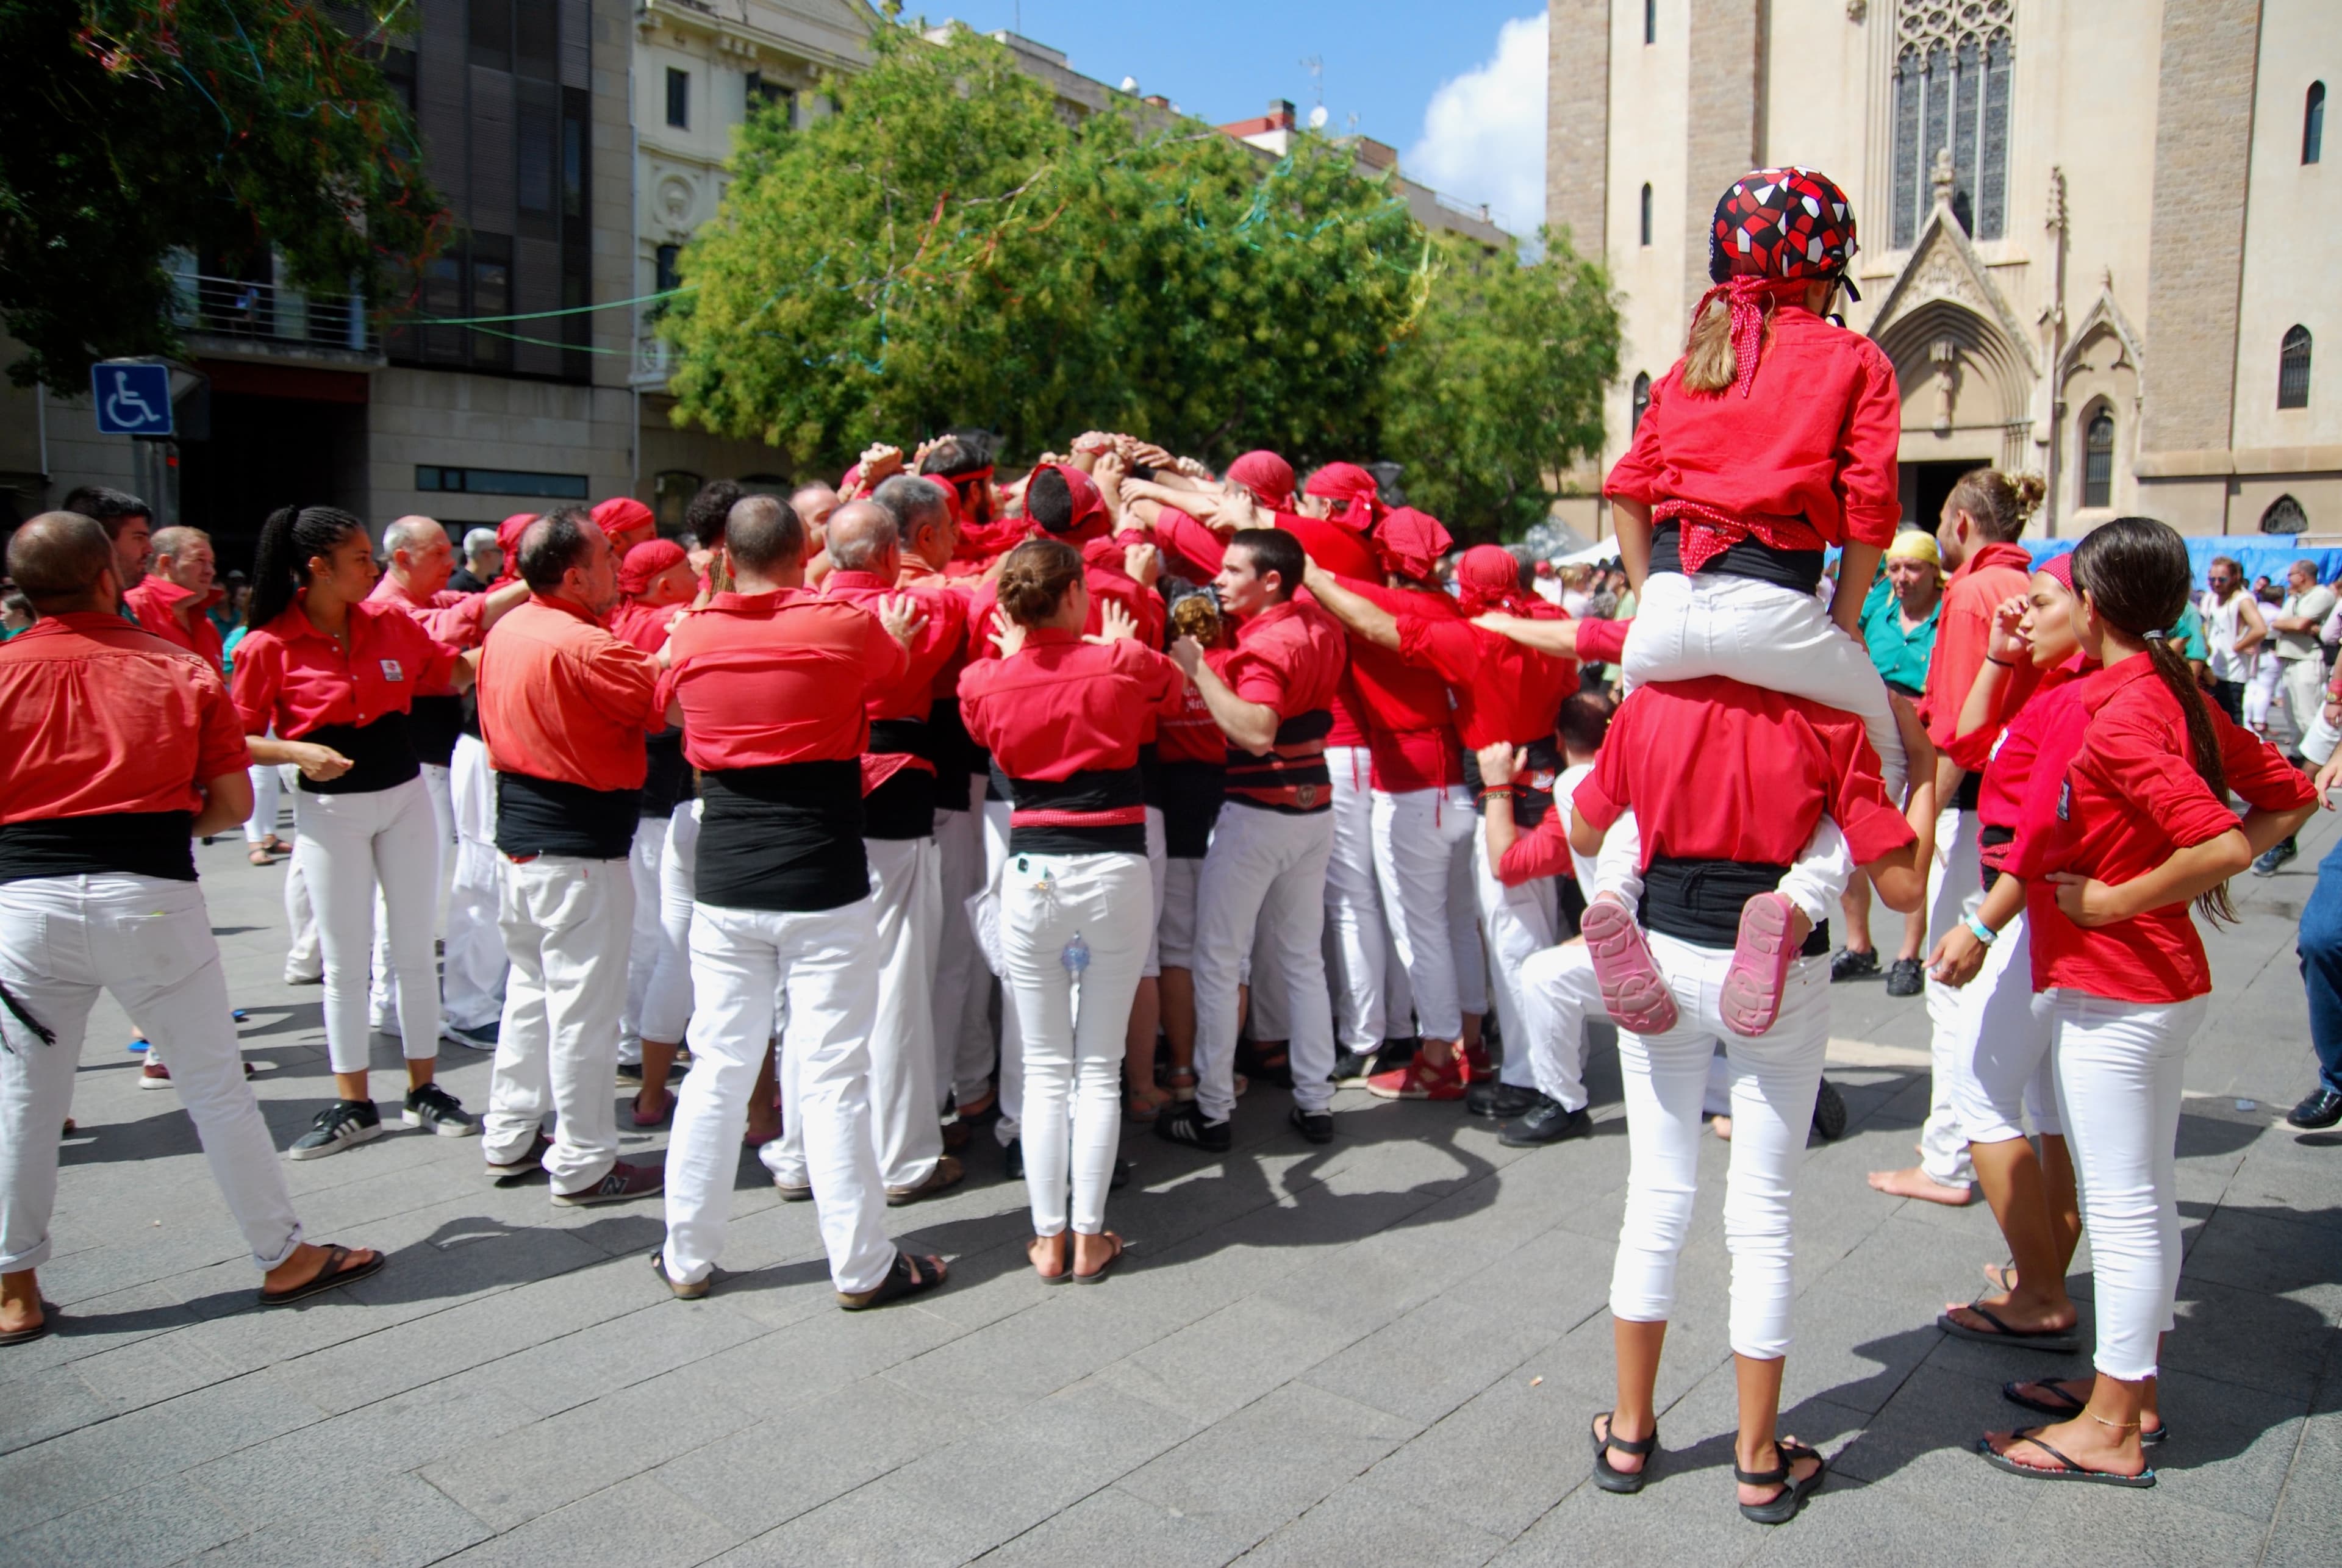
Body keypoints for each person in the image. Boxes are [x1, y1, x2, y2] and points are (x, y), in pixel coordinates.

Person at [1976, 517, 2313, 1487]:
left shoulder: (2124, 710)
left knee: (2125, 1208)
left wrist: (2117, 896)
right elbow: (2289, 795)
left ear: (2093, 602)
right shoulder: (2172, 687)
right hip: (2151, 985)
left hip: (2119, 982)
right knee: (2144, 1199)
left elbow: (2220, 841)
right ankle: (2127, 1394)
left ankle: (2114, 1422)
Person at [0, 512, 384, 1342]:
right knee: (214, 1086)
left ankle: (15, 1286)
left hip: (25, 898)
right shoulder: (174, 667)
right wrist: (159, 832)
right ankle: (283, 1253)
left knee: (26, 1095)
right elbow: (236, 805)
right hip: (149, 887)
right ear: (109, 577)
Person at [1570, 668, 1928, 1525]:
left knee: (1654, 1195)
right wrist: (1915, 762)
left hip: (1662, 941)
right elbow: (1904, 886)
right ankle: (1760, 1459)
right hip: (1772, 967)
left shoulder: (1654, 699)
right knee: (1762, 1211)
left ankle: (1628, 1434)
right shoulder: (1832, 708)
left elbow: (1588, 820)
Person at [1589, 166, 1907, 1045]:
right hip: (1775, 600)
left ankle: (1614, 893)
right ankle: (1802, 902)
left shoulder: (1694, 356)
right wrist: (1840, 625)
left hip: (1669, 605)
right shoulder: (1854, 358)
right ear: (1821, 270)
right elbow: (1872, 509)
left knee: (1633, 764)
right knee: (1885, 753)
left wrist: (1652, 595)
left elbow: (1626, 488)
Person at [653, 495, 949, 1309]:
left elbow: (661, 704)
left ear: (727, 555)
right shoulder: (838, 625)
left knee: (717, 1066)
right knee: (831, 1073)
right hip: (822, 873)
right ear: (803, 550)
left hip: (727, 878)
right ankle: (859, 1266)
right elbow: (895, 677)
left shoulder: (693, 630)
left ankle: (686, 1254)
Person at [962, 538, 1185, 1280]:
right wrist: (1115, 644)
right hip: (1115, 864)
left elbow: (985, 722)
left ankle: (1047, 1235)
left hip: (1034, 869)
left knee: (1047, 1062)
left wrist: (1009, 657)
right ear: (1072, 595)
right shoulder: (1122, 663)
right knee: (1098, 1063)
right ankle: (1089, 1235)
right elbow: (1169, 690)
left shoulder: (985, 680)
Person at [231, 505, 479, 1155]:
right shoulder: (266, 645)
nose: (374, 569)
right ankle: (353, 1102)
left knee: (413, 948)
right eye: (363, 558)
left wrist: (525, 631)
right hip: (329, 809)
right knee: (345, 963)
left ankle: (424, 1089)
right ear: (318, 568)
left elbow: (453, 670)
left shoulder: (390, 622)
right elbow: (235, 733)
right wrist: (294, 753)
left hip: (403, 796)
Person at [1304, 542, 1581, 1112]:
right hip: (1546, 782)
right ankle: (1513, 1056)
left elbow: (1379, 624)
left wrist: (1314, 573)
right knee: (1520, 932)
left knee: (1508, 942)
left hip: (1499, 788)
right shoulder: (1550, 622)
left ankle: (1527, 1076)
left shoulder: (1472, 637)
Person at [1924, 553, 2093, 1361]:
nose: (2021, 613)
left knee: (1984, 1096)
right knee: (2048, 1108)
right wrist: (1998, 653)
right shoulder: (2060, 682)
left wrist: (1984, 925)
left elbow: (2040, 838)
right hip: (2037, 910)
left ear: (2088, 607)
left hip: (2029, 911)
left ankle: (2041, 1291)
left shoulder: (2077, 696)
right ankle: (2046, 1266)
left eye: (2039, 601)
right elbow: (1962, 737)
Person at [474, 510, 668, 1205]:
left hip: (525, 850)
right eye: (609, 560)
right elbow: (668, 704)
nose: (620, 570)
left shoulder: (509, 630)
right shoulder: (588, 645)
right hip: (578, 852)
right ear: (575, 573)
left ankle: (510, 1133)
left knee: (531, 997)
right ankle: (584, 1159)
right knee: (584, 1011)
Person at [1867, 470, 2045, 1208]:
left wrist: (1926, 806)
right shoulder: (2024, 584)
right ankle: (1965, 1133)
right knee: (1989, 977)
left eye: (1943, 520)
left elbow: (1959, 729)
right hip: (2006, 801)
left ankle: (1949, 1156)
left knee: (1951, 978)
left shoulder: (1973, 593)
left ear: (1964, 525)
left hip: (1974, 805)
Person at [1157, 528, 1348, 1150]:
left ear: (1271, 581)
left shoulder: (1267, 644)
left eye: (1233, 570)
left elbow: (1257, 731)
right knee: (1301, 959)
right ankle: (1315, 1101)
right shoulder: (1317, 624)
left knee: (1218, 959)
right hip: (1312, 807)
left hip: (1259, 811)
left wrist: (1200, 668)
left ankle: (1212, 1112)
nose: (1219, 579)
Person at [801, 498, 969, 1205]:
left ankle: (797, 1153)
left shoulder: (799, 611)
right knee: (899, 979)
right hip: (894, 789)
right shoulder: (924, 606)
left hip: (814, 797)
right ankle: (902, 1157)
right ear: (889, 553)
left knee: (811, 989)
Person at [1297, 510, 1484, 1101]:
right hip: (1455, 784)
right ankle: (1470, 1043)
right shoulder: (1451, 607)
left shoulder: (1387, 604)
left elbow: (1323, 585)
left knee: (1418, 928)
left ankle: (1436, 1058)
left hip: (1410, 786)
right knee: (1456, 922)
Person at [366, 517, 530, 1043]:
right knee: (412, 890)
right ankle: (399, 1007)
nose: (450, 562)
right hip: (415, 766)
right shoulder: (388, 608)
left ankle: (395, 1004)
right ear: (402, 559)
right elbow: (448, 653)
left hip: (430, 761)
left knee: (416, 889)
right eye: (438, 552)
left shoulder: (432, 599)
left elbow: (457, 628)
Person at [1477, 690, 1619, 1145]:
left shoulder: (1577, 790)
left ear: (1558, 740)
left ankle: (1557, 1098)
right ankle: (1797, 1092)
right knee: (1677, 1058)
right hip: (1672, 935)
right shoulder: (1657, 775)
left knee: (1539, 972)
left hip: (1638, 950)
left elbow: (1507, 865)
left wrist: (1497, 784)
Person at [609, 538, 700, 1127]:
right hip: (660, 804)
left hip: (637, 801)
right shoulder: (671, 620)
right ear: (664, 584)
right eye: (687, 570)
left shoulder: (616, 619)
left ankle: (634, 1049)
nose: (697, 575)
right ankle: (639, 1055)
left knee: (648, 938)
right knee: (662, 942)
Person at [442, 511, 540, 1052]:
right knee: (480, 878)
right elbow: (456, 667)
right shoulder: (503, 601)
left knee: (506, 882)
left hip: (513, 754)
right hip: (486, 750)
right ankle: (469, 1004)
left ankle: (492, 995)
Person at [1836, 529, 1943, 994]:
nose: (1902, 577)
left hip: (1925, 731)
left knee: (1914, 846)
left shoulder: (1948, 616)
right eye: (1895, 567)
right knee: (1852, 839)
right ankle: (1859, 944)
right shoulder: (1877, 608)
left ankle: (1909, 953)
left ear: (1934, 572)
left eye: (1913, 567)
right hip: (1874, 724)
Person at [2251, 558, 2335, 876]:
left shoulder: (2322, 595)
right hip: (2300, 669)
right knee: (2311, 747)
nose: (2286, 580)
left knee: (2310, 731)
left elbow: (2297, 626)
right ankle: (2285, 840)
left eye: (2291, 575)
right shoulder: (2297, 599)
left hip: (2308, 666)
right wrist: (2336, 697)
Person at [122, 525, 224, 671]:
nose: (211, 571)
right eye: (200, 560)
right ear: (166, 564)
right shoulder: (130, 609)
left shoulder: (208, 626)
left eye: (211, 563)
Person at [60, 485, 152, 619]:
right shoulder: (70, 614)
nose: (149, 549)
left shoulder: (120, 610)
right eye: (139, 538)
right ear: (102, 542)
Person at [448, 528, 502, 594]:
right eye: (500, 551)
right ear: (487, 554)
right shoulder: (456, 587)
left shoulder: (496, 583)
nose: (502, 556)